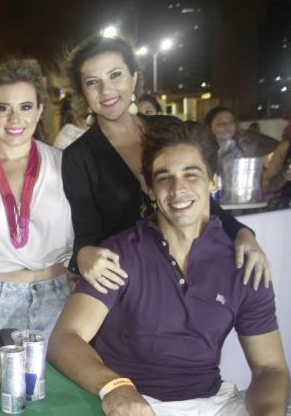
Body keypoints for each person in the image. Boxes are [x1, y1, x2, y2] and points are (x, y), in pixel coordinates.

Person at [49, 121, 290, 416]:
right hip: (143, 406)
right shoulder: (120, 254)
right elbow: (65, 340)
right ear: (148, 187)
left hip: (214, 404)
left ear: (213, 181)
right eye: (164, 177)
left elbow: (270, 368)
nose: (178, 189)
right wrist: (116, 388)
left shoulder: (243, 264)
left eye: (191, 174)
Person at [61, 34, 270, 295]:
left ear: (133, 78)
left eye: (115, 75)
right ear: (83, 92)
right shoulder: (77, 157)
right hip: (129, 283)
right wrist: (83, 256)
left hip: (192, 269)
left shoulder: (169, 129)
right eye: (92, 82)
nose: (106, 90)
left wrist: (242, 233)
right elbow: (86, 234)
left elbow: (202, 200)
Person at [0, 57, 72, 334]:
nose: (15, 119)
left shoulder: (64, 164)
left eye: (25, 107)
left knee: (59, 366)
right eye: (3, 108)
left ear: (39, 111)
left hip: (56, 297)